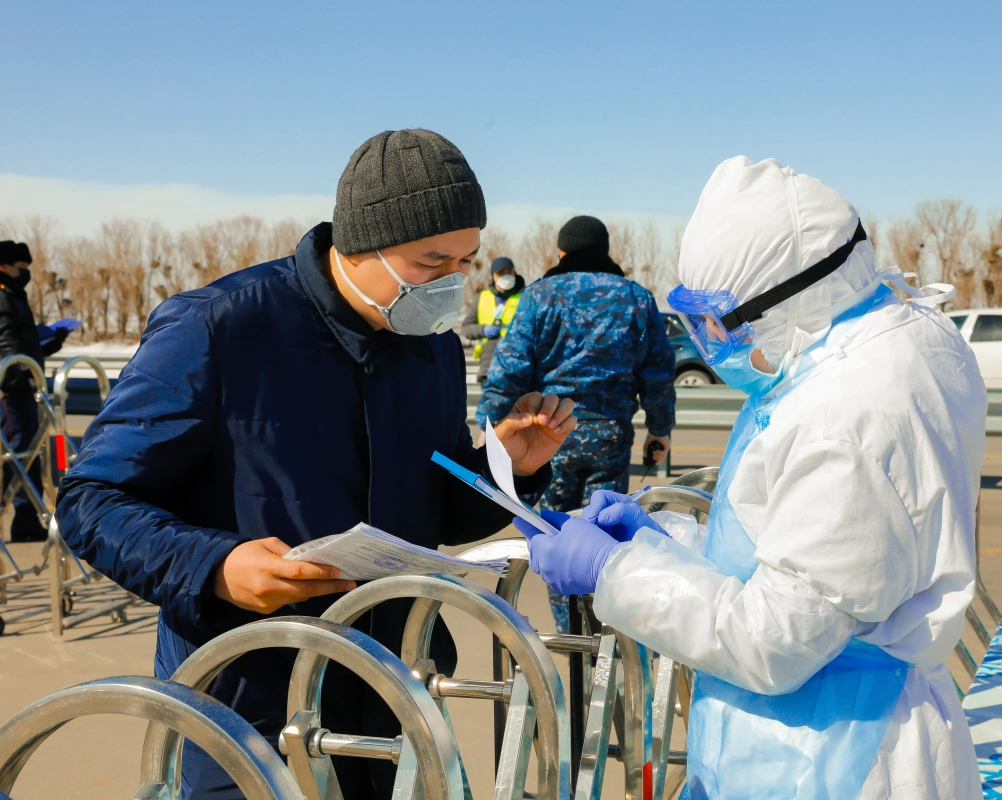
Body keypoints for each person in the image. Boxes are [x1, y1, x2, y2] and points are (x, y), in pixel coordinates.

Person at [57, 130, 577, 799]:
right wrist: (214, 567)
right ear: (359, 246)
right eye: (431, 261)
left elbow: (436, 513)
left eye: (466, 261)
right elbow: (91, 498)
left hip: (396, 693)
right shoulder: (220, 329)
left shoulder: (431, 350)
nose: (452, 283)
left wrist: (508, 464)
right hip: (251, 702)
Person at [514, 158, 987, 798]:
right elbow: (801, 551)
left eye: (719, 318)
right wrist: (662, 540)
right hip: (817, 722)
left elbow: (775, 638)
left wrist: (612, 571)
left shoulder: (848, 413)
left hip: (834, 751)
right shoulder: (864, 341)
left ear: (794, 294)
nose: (711, 341)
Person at [477, 215, 675, 632]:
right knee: (609, 535)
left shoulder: (540, 296)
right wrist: (660, 429)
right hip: (611, 440)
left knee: (556, 540)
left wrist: (490, 427)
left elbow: (508, 370)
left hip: (548, 439)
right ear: (605, 252)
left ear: (562, 253)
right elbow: (657, 373)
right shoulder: (636, 298)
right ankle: (606, 640)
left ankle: (571, 636)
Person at [0, 240, 75, 541]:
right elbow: (6, 343)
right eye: (22, 268)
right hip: (13, 389)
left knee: (31, 453)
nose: (25, 274)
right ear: (4, 266)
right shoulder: (4, 298)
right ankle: (19, 514)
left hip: (26, 386)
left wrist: (54, 339)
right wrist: (23, 377)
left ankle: (26, 519)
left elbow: (24, 342)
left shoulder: (15, 296)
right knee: (19, 453)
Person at [461, 256, 524, 385]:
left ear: (514, 272)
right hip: (488, 368)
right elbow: (466, 328)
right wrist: (483, 330)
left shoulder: (525, 296)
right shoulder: (481, 297)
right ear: (493, 276)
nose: (505, 276)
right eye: (501, 273)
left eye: (509, 272)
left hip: (517, 367)